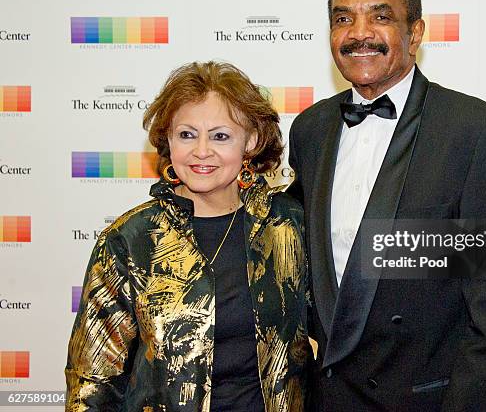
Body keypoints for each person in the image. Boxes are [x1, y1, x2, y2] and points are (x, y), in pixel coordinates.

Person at [288, 0, 486, 411]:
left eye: (380, 17)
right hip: (329, 398)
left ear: (415, 33)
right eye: (343, 19)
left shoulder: (477, 132)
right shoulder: (310, 129)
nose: (359, 33)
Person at [66, 61, 310, 412]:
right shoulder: (130, 240)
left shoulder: (287, 225)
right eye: (187, 134)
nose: (201, 151)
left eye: (220, 136)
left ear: (251, 141)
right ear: (168, 140)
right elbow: (92, 384)